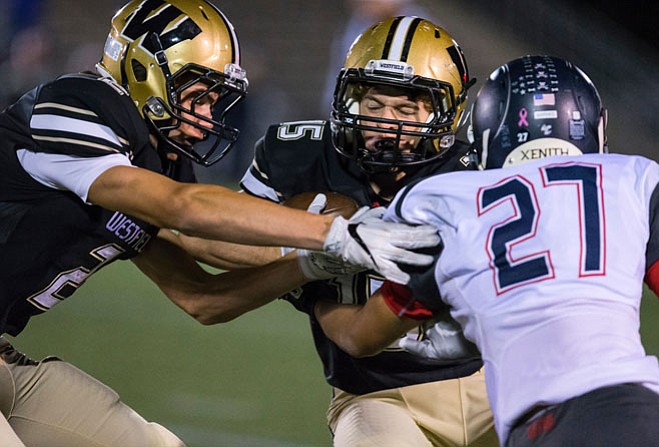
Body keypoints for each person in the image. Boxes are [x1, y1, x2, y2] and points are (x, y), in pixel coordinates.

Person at [0, 1, 441, 445]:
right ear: (143, 71)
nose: (207, 118)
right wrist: (334, 233)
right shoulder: (72, 104)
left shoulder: (153, 159)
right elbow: (185, 210)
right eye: (199, 97)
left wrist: (312, 263)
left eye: (213, 101)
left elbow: (202, 296)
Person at [312, 55, 659, 446]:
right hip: (623, 408)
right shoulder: (635, 179)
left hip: (535, 426)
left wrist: (316, 294)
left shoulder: (448, 205)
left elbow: (361, 337)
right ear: (594, 126)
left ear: (484, 133)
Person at [230, 16, 496, 447]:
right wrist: (313, 246)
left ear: (446, 113)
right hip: (378, 396)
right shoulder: (303, 158)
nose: (385, 122)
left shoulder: (481, 175)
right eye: (374, 105)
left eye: (406, 109)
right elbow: (226, 242)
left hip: (496, 382)